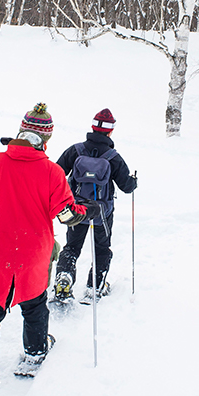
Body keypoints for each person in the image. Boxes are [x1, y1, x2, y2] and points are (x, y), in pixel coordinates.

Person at [0, 103, 93, 396]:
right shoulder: (52, 172)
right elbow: (67, 216)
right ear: (45, 139)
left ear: (21, 131)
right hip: (33, 253)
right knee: (34, 305)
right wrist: (85, 210)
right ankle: (34, 351)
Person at [53, 108, 137, 303]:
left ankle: (64, 278)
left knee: (72, 247)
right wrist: (133, 181)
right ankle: (94, 287)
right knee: (102, 248)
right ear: (110, 131)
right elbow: (126, 187)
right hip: (102, 212)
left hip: (76, 210)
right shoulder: (113, 156)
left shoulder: (76, 150)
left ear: (92, 127)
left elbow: (56, 174)